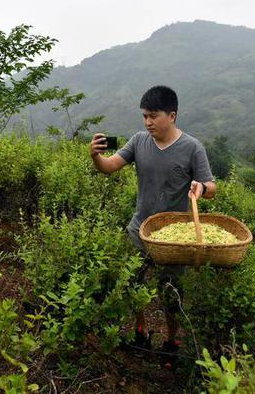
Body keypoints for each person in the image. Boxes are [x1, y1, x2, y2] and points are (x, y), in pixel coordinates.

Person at [89, 85, 216, 365]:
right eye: (145, 116)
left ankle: (172, 341)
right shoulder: (138, 141)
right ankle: (141, 332)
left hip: (173, 238)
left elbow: (211, 186)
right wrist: (96, 156)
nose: (148, 122)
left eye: (153, 116)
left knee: (171, 291)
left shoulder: (192, 148)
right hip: (139, 229)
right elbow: (110, 166)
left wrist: (200, 188)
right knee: (134, 283)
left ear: (172, 115)